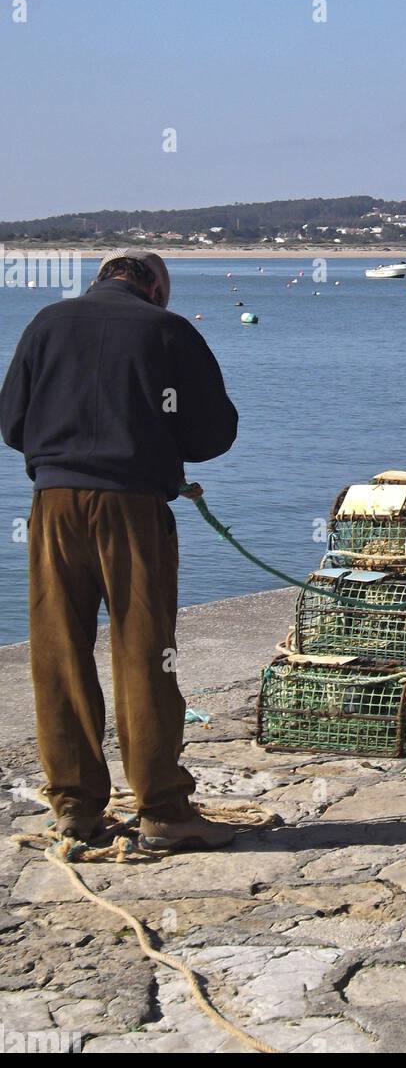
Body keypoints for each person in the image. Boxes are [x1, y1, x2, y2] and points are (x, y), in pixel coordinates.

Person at [0, 251, 239, 851]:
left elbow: (12, 425)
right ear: (155, 287)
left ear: (102, 277)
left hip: (53, 503)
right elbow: (215, 433)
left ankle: (76, 808)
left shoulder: (47, 323)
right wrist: (157, 443)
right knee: (145, 651)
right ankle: (162, 809)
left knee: (59, 651)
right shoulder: (167, 329)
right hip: (132, 506)